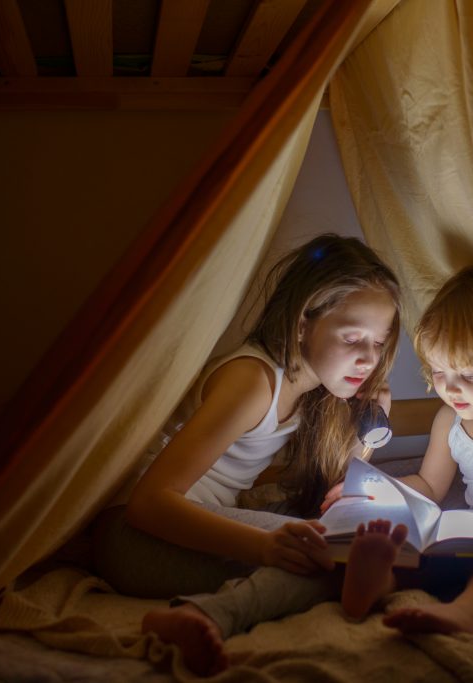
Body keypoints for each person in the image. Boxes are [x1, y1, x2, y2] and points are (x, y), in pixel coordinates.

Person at [141, 264, 473, 676]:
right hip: (469, 538)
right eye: (438, 372)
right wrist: (373, 488)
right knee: (391, 544)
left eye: (468, 376)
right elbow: (429, 484)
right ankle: (373, 583)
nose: (449, 389)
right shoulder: (450, 421)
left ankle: (471, 612)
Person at [91, 234, 402, 649]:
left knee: (345, 544)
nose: (369, 359)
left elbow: (335, 496)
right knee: (328, 556)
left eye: (379, 343)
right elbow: (147, 503)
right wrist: (264, 546)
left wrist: (368, 429)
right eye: (352, 338)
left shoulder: (310, 393)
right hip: (135, 535)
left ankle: (341, 578)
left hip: (195, 522)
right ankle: (207, 615)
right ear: (303, 324)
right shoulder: (252, 382)